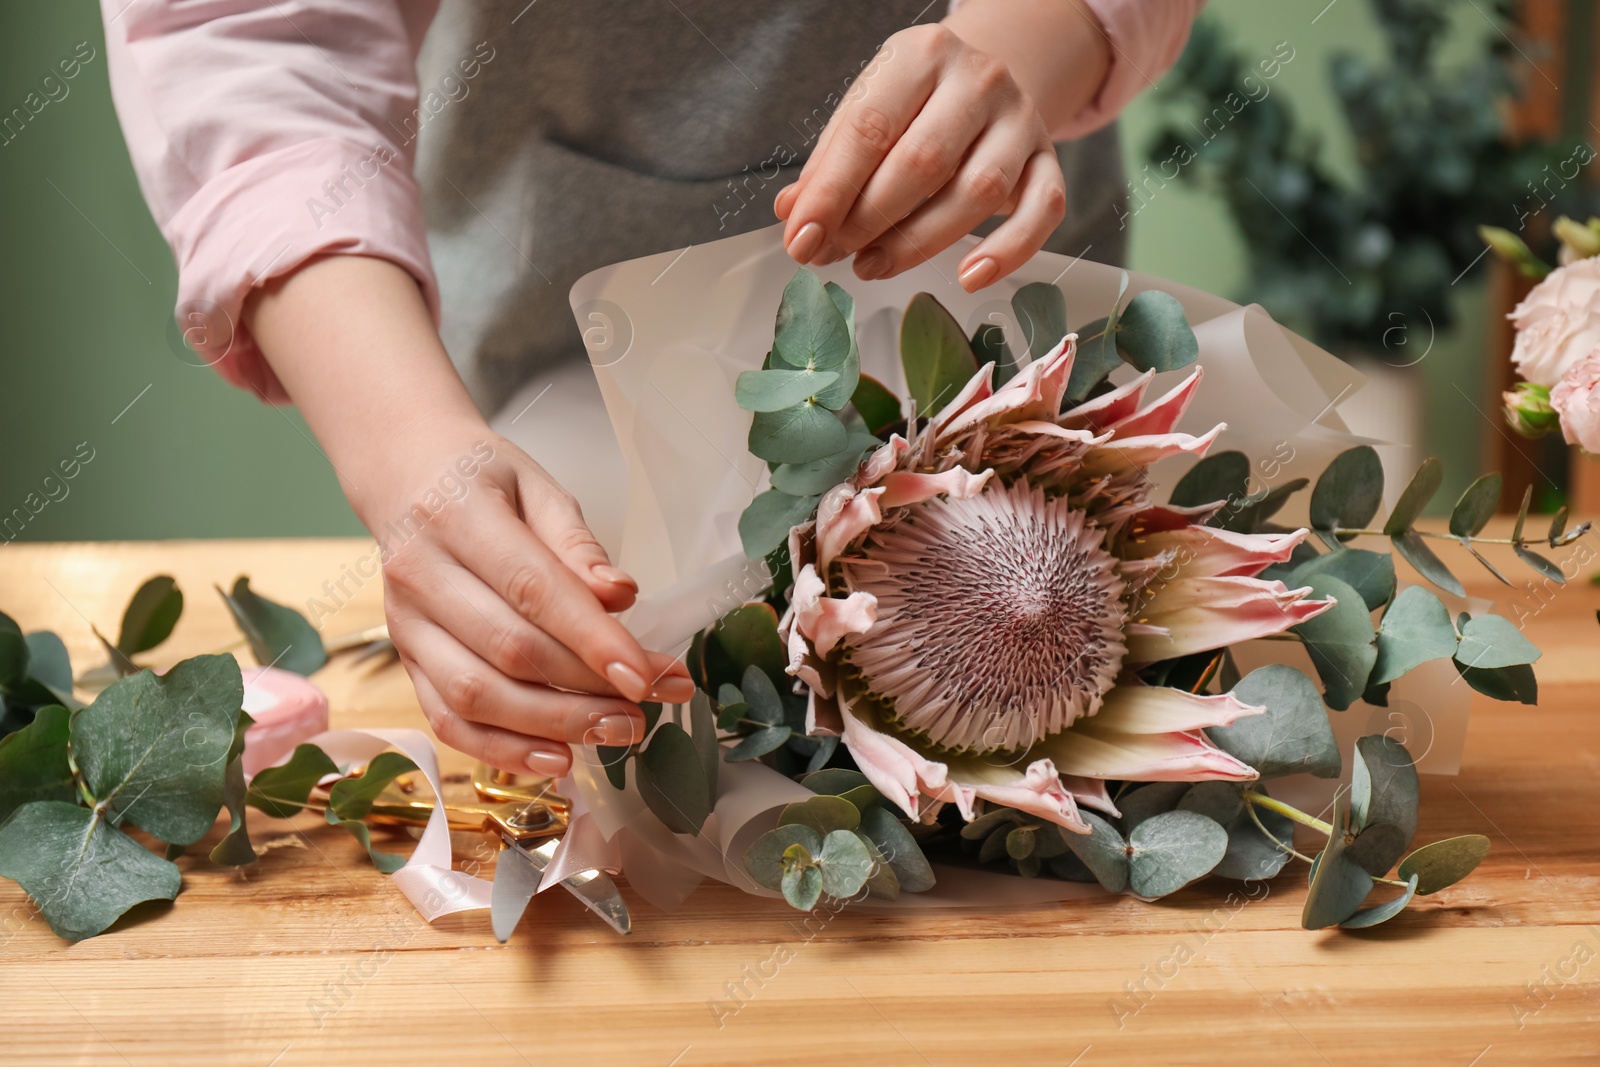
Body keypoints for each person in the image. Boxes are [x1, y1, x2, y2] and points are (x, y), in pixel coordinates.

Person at [102, 0, 1202, 779]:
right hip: (553, 374)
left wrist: (1030, 36)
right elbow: (242, 31)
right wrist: (405, 451)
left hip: (1009, 349)